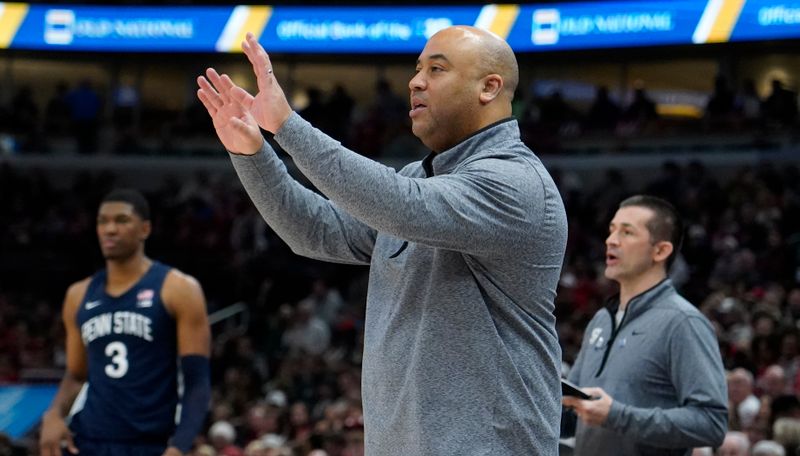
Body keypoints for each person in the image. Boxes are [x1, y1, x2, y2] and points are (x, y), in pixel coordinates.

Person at [197, 26, 568, 455]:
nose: (415, 81)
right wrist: (252, 153)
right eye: (417, 69)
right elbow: (315, 230)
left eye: (436, 69)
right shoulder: (419, 178)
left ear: (489, 87)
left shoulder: (515, 182)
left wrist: (287, 125)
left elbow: (400, 204)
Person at [39, 189, 211, 456]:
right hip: (90, 439)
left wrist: (180, 445)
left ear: (144, 229)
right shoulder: (78, 295)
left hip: (152, 442)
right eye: (102, 221)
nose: (110, 229)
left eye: (121, 220)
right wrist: (54, 414)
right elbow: (76, 374)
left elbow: (197, 381)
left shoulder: (179, 289)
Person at [562, 195, 727, 455]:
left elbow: (711, 423)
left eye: (627, 232)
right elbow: (570, 416)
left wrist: (618, 415)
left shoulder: (684, 322)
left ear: (660, 250)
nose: (611, 240)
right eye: (612, 230)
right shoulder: (601, 320)